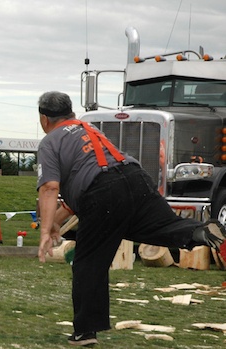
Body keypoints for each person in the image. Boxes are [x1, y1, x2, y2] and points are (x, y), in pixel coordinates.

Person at [35, 91, 225, 346]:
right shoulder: (86, 129)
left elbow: (49, 187)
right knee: (161, 226)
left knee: (89, 262)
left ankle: (86, 332)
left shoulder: (50, 141)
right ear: (70, 113)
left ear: (44, 119)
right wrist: (56, 221)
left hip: (102, 191)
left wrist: (45, 232)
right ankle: (199, 232)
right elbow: (81, 188)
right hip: (134, 178)